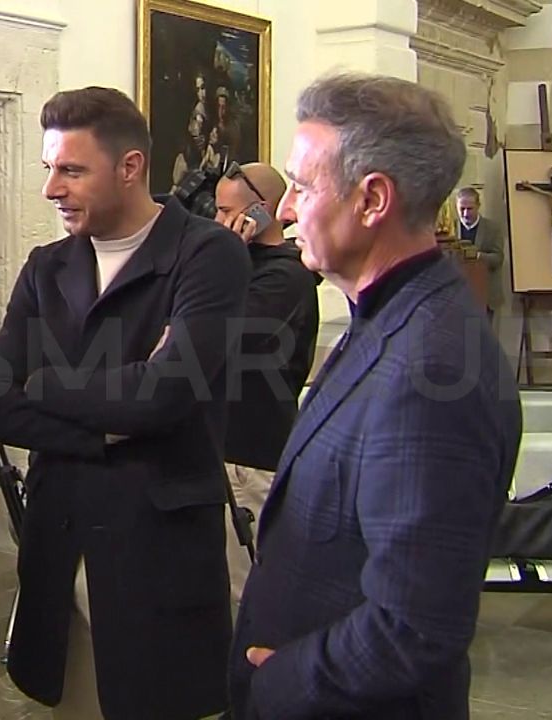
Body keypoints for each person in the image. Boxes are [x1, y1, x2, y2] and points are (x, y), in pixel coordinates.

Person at [230, 74, 521, 720]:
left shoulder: (433, 371)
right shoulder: (391, 316)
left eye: (301, 188)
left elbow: (415, 624)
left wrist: (281, 682)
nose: (282, 210)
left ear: (372, 200)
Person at [0, 86, 249, 719]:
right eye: (50, 168)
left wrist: (45, 384)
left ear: (129, 168)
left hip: (156, 553)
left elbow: (162, 398)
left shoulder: (207, 255)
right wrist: (107, 425)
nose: (51, 189)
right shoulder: (48, 267)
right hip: (61, 545)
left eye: (71, 170)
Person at [212, 161, 319, 604]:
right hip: (222, 446)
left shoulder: (284, 276)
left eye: (224, 212)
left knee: (243, 591)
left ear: (258, 213)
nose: (217, 223)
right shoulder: (246, 265)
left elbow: (221, 338)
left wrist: (227, 260)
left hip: (251, 456)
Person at [455, 186, 505, 319]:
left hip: (485, 297)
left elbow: (498, 258)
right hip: (457, 298)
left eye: (469, 209)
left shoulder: (492, 229)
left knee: (481, 338)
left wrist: (477, 256)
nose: (465, 214)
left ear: (478, 206)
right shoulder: (449, 230)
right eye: (462, 209)